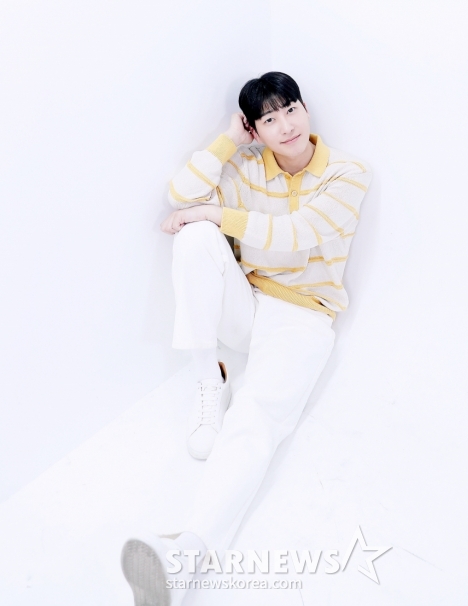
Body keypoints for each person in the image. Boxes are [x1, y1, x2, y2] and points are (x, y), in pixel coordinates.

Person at [120, 72, 372, 605]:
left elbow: (298, 233)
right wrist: (228, 142)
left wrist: (212, 211)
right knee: (194, 238)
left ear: (305, 108)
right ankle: (208, 378)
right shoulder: (249, 165)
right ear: (255, 128)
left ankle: (186, 556)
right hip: (249, 302)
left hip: (302, 316)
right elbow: (179, 194)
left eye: (291, 109)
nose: (286, 125)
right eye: (269, 119)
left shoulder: (347, 174)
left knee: (255, 418)